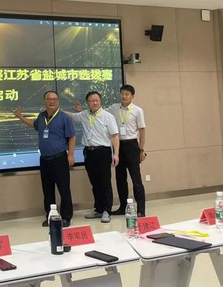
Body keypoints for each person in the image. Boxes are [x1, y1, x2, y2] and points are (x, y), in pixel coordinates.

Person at [14, 91, 76, 228]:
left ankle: (66, 217)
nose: (51, 101)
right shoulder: (41, 116)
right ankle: (50, 216)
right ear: (44, 102)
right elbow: (34, 125)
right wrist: (20, 117)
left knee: (64, 189)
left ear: (58, 101)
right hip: (45, 159)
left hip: (60, 158)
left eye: (54, 99)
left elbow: (72, 136)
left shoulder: (64, 117)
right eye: (49, 99)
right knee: (47, 190)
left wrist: (71, 155)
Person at [66, 91, 119, 223]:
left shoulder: (108, 116)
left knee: (105, 183)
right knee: (95, 183)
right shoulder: (84, 114)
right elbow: (72, 116)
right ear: (87, 103)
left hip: (103, 152)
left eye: (97, 101)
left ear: (100, 102)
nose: (95, 103)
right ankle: (99, 209)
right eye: (92, 101)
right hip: (89, 152)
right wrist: (57, 110)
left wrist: (116, 154)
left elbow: (115, 136)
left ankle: (107, 210)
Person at [106, 85, 147, 217]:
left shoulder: (137, 111)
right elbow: (101, 113)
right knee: (120, 178)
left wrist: (141, 150)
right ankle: (123, 207)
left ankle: (141, 209)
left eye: (127, 94)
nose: (124, 96)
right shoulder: (114, 108)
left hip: (132, 145)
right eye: (122, 94)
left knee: (136, 178)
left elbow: (142, 130)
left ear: (132, 96)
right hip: (118, 146)